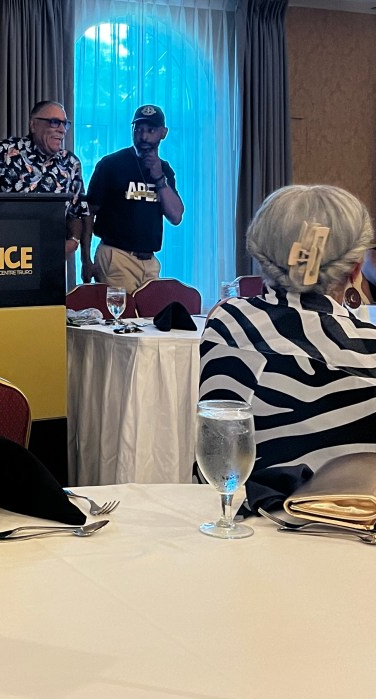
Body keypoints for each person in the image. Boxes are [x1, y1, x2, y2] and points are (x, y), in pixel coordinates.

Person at [200, 184, 376, 473]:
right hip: (354, 500)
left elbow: (217, 459)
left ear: (261, 255)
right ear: (356, 268)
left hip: (247, 497)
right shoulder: (369, 346)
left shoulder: (228, 322)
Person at [81, 104, 183, 291]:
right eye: (138, 130)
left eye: (151, 130)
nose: (144, 137)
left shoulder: (164, 170)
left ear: (163, 133)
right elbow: (88, 212)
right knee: (121, 310)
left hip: (150, 261)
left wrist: (159, 178)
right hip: (116, 257)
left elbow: (176, 216)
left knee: (153, 309)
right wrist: (86, 260)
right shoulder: (111, 165)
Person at [0, 100, 87, 259]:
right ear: (33, 125)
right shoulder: (5, 152)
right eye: (55, 122)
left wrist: (73, 241)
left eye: (65, 124)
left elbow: (78, 211)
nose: (62, 130)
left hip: (51, 254)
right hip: (7, 253)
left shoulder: (71, 163)